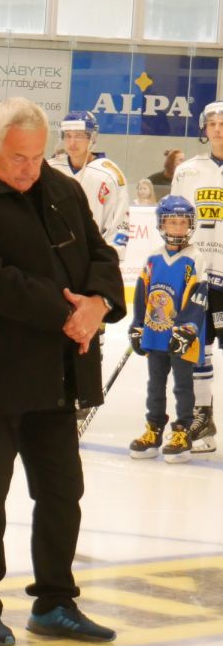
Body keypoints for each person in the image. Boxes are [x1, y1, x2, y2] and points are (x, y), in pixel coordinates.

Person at [0, 97, 125, 646]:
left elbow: (100, 256)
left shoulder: (62, 189)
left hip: (58, 369)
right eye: (18, 158)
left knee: (63, 489)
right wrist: (69, 313)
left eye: (38, 157)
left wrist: (98, 303)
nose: (29, 168)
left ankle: (55, 601)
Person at [128, 196, 209, 464]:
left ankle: (182, 433)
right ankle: (153, 430)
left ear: (191, 225)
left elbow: (198, 298)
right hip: (155, 333)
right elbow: (141, 294)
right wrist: (137, 325)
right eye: (171, 222)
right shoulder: (153, 257)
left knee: (183, 386)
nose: (177, 227)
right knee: (155, 385)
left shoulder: (195, 258)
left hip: (183, 338)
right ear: (161, 224)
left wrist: (186, 330)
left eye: (182, 222)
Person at [169, 101, 223, 453]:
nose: (218, 128)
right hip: (201, 273)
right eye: (213, 123)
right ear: (204, 128)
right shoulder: (187, 171)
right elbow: (174, 221)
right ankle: (203, 418)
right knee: (199, 346)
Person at [50, 110, 131, 249]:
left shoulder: (109, 175)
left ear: (91, 137)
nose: (72, 142)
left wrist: (107, 257)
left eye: (79, 136)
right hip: (54, 255)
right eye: (68, 135)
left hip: (92, 255)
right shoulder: (52, 169)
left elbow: (118, 224)